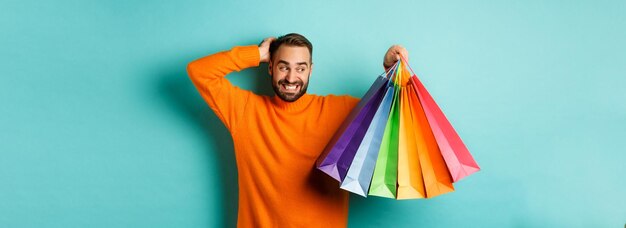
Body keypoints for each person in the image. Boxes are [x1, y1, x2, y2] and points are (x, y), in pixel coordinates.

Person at [187, 33, 408, 227]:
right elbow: (199, 71)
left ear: (310, 70)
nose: (291, 78)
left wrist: (392, 72)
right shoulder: (244, 110)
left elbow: (395, 112)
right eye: (283, 67)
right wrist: (258, 53)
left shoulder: (341, 111)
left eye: (300, 68)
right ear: (271, 67)